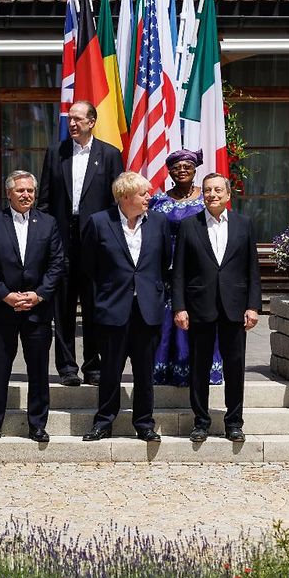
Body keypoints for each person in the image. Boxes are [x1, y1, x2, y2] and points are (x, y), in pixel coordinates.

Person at [37, 100, 123, 386]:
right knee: (62, 305)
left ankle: (93, 366)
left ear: (92, 121)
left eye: (78, 119)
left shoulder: (109, 155)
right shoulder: (56, 153)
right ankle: (67, 367)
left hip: (96, 242)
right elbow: (45, 200)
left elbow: (116, 202)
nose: (72, 123)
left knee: (94, 304)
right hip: (61, 238)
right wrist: (44, 239)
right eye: (69, 119)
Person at [80, 172, 172, 442]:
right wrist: (103, 299)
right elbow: (88, 267)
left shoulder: (158, 222)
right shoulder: (99, 222)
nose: (149, 197)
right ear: (125, 196)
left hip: (147, 310)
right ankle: (104, 422)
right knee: (110, 370)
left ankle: (144, 424)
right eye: (143, 194)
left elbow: (164, 263)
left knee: (144, 372)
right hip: (113, 309)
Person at [0, 171, 65, 443]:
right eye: (20, 190)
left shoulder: (48, 223)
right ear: (8, 193)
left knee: (38, 370)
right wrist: (5, 295)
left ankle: (37, 424)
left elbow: (57, 263)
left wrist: (39, 295)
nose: (26, 195)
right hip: (3, 309)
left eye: (30, 191)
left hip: (37, 310)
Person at [173, 173, 261, 443]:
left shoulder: (244, 224)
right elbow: (179, 271)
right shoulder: (189, 225)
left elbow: (252, 269)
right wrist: (179, 307)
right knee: (199, 367)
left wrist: (253, 306)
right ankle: (200, 422)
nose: (212, 194)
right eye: (208, 190)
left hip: (235, 307)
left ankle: (234, 422)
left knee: (234, 368)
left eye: (218, 190)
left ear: (228, 194)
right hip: (200, 307)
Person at [149, 149, 222, 386]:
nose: (182, 170)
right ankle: (167, 370)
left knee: (203, 318)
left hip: (201, 268)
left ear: (194, 170)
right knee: (170, 319)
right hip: (168, 270)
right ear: (169, 172)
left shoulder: (206, 200)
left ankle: (206, 370)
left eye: (187, 166)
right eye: (176, 167)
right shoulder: (158, 202)